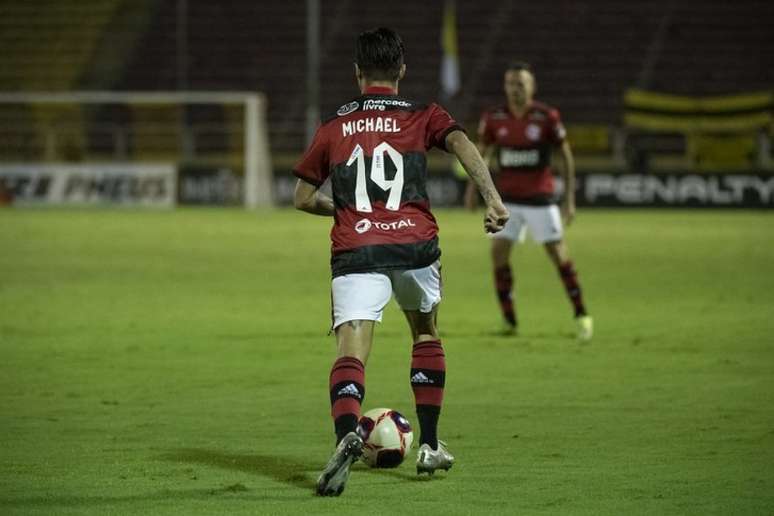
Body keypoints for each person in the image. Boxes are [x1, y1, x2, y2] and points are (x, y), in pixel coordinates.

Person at [293, 27, 508, 496]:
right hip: (415, 247)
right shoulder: (423, 113)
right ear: (402, 71)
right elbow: (463, 145)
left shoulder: (334, 126)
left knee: (352, 351)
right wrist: (492, 198)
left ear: (357, 73)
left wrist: (347, 210)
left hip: (357, 249)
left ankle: (344, 436)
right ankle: (430, 446)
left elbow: (303, 197)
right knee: (426, 333)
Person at [464, 61, 593, 340]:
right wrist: (473, 190)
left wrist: (569, 199)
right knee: (498, 255)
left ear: (532, 86)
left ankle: (582, 314)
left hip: (540, 200)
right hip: (506, 201)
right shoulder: (494, 117)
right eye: (510, 83)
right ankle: (509, 319)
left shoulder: (546, 117)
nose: (515, 89)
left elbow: (566, 156)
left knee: (559, 255)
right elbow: (480, 154)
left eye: (520, 84)